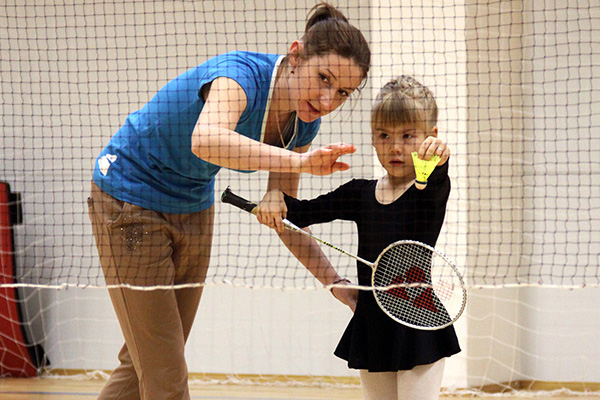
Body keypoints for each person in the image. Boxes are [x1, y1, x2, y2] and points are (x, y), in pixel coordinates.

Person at [87, 3, 370, 399]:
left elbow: (287, 220)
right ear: (295, 56)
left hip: (192, 203)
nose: (327, 100)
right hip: (129, 196)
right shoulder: (239, 76)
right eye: (323, 78)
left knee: (148, 363)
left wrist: (335, 283)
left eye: (342, 92)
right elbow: (205, 140)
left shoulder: (303, 122)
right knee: (165, 374)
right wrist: (297, 162)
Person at [258, 75, 460, 399]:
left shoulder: (427, 192)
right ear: (373, 138)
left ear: (429, 137)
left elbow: (434, 181)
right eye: (384, 135)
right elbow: (300, 212)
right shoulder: (359, 194)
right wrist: (274, 198)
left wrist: (437, 160)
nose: (395, 146)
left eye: (408, 135)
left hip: (419, 322)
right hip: (372, 323)